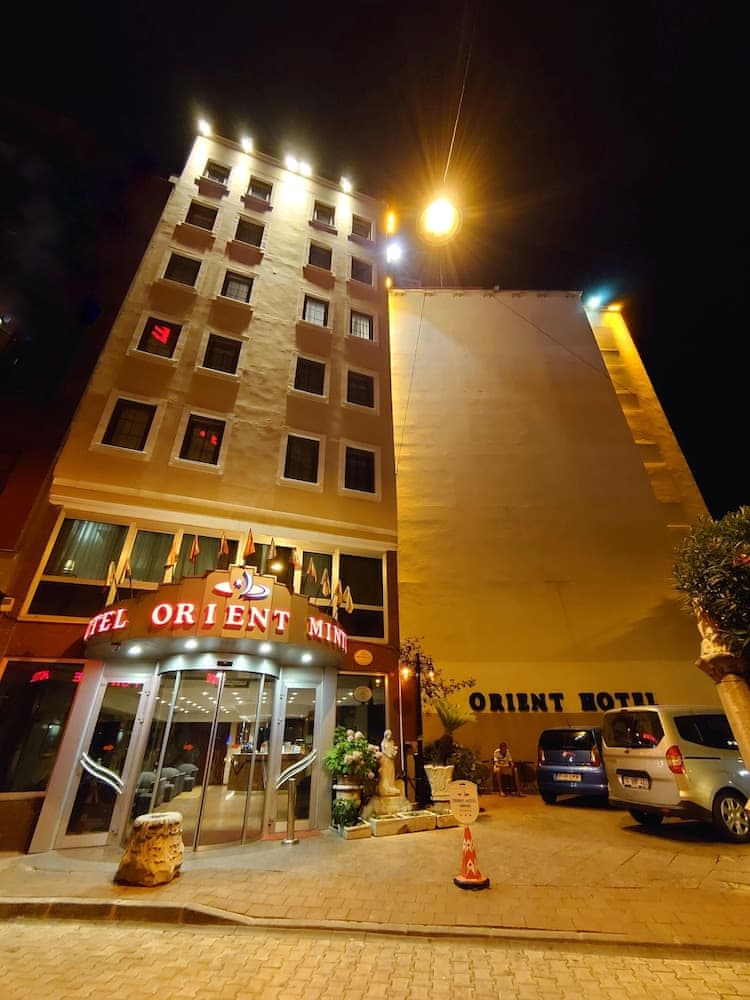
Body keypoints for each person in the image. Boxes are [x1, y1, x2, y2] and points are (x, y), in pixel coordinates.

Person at [377, 729, 401, 796]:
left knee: (391, 772)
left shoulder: (392, 742)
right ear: (386, 735)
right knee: (386, 773)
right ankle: (386, 786)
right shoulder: (383, 743)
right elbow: (383, 751)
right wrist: (388, 755)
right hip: (386, 759)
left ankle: (391, 785)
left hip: (391, 760)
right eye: (388, 735)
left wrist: (394, 753)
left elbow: (392, 749)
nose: (389, 736)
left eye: (390, 735)